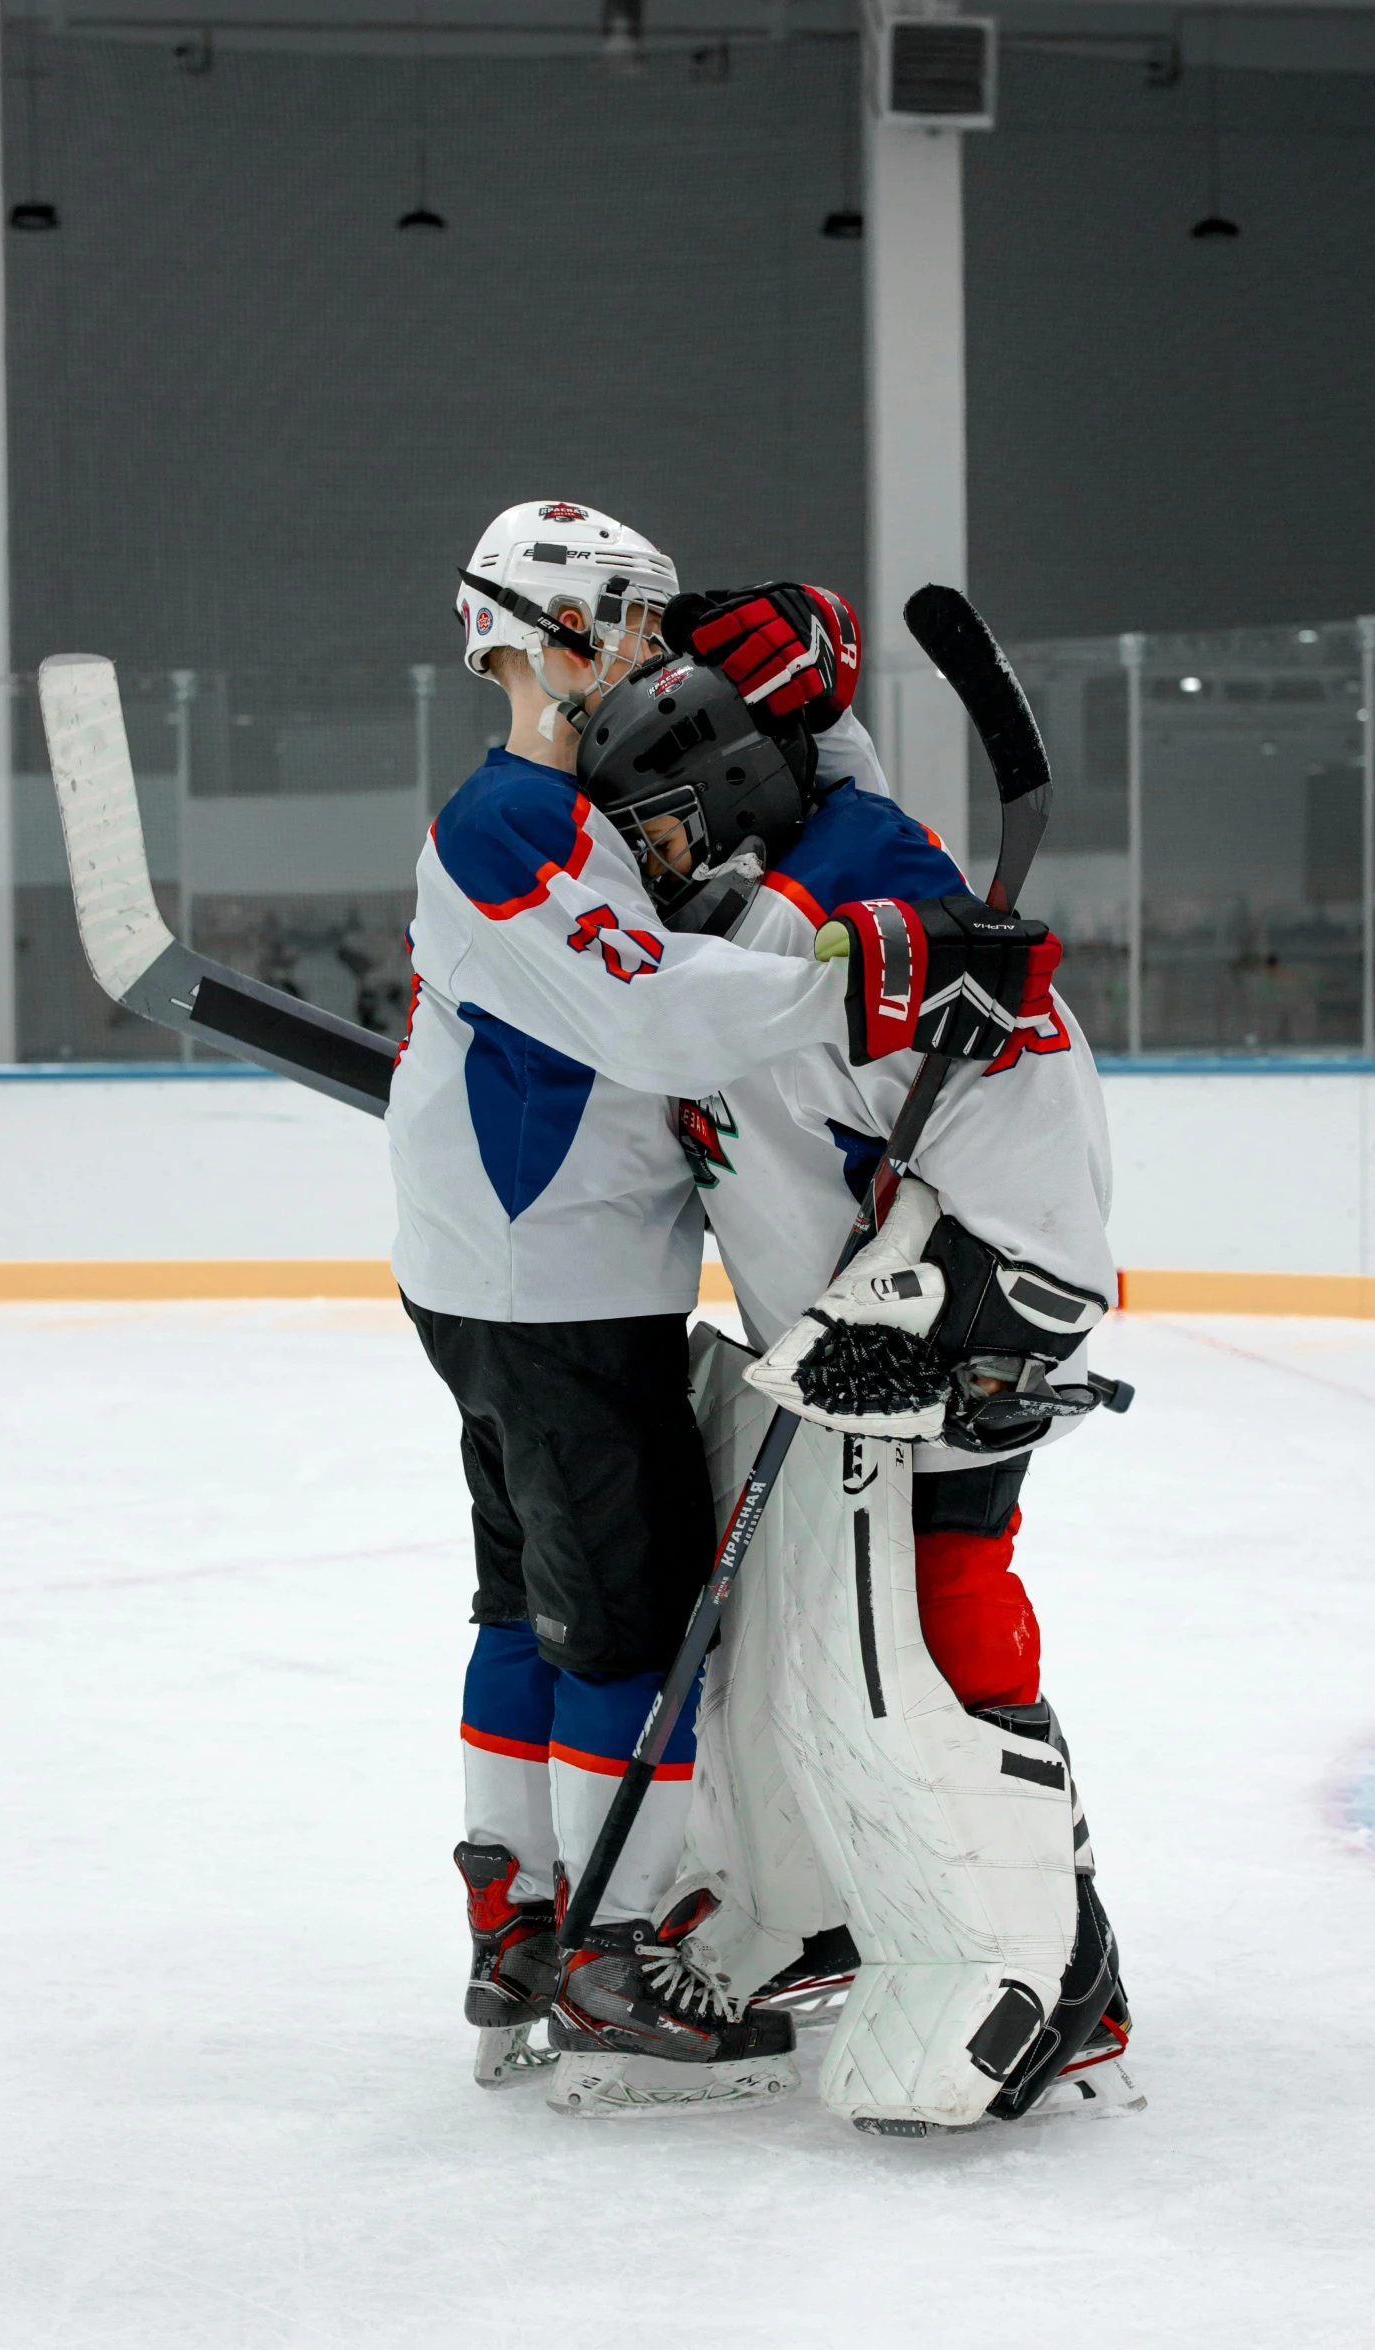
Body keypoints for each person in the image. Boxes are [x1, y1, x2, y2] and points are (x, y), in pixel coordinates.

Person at [570, 588, 1141, 2131]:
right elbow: (817, 778)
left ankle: (1066, 1957)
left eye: (666, 827)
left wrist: (976, 1315)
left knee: (940, 1596)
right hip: (840, 1336)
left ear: (738, 804)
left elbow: (1033, 1127)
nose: (649, 859)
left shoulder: (833, 912)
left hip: (947, 1321)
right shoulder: (791, 883)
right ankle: (843, 1904)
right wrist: (800, 686)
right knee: (812, 1636)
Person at [388, 503, 877, 2114]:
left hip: (516, 1273)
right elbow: (659, 1016)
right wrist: (864, 966)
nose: (657, 657)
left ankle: (515, 1919)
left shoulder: (547, 811)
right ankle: (603, 1952)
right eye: (635, 625)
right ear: (546, 634)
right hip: (554, 1286)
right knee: (628, 1620)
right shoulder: (512, 822)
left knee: (525, 1595)